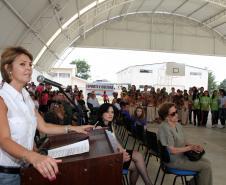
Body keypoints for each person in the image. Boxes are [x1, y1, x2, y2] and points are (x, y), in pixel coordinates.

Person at [0, 46, 93, 185]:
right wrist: (33, 157)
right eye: (22, 64)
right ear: (8, 69)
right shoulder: (2, 99)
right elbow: (4, 140)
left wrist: (73, 128)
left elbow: (43, 126)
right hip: (6, 174)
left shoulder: (25, 97)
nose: (29, 68)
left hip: (26, 168)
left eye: (30, 65)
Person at [96, 103, 153, 185]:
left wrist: (123, 151)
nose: (110, 114)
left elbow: (115, 141)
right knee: (136, 166)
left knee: (139, 156)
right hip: (109, 159)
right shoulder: (99, 128)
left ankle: (148, 183)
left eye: (112, 112)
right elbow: (102, 152)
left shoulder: (109, 124)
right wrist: (120, 156)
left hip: (115, 152)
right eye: (107, 112)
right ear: (102, 113)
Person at [158, 102, 212, 185]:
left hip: (183, 156)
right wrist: (190, 148)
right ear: (166, 117)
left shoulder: (178, 125)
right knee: (205, 167)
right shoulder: (164, 128)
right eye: (173, 114)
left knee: (207, 163)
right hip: (173, 161)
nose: (176, 114)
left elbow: (184, 142)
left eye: (176, 112)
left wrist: (193, 146)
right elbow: (171, 150)